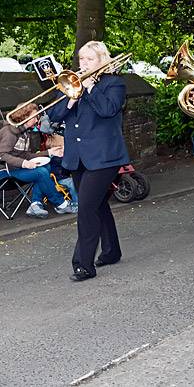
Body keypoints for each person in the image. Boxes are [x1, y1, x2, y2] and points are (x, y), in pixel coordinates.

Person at [48, 40, 130, 281]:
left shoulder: (114, 83)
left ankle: (83, 265)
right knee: (98, 205)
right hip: (78, 156)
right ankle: (112, 251)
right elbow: (53, 116)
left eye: (89, 59)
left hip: (105, 157)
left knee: (85, 209)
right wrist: (72, 97)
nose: (83, 64)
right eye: (81, 59)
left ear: (102, 60)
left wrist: (91, 87)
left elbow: (108, 109)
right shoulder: (71, 83)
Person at [0, 103, 75, 218]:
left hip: (16, 168)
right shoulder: (9, 132)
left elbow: (25, 154)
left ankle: (36, 203)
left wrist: (49, 153)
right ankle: (61, 203)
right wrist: (24, 163)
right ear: (24, 116)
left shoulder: (24, 132)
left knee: (46, 167)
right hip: (5, 171)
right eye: (34, 117)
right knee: (41, 172)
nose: (36, 120)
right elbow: (2, 154)